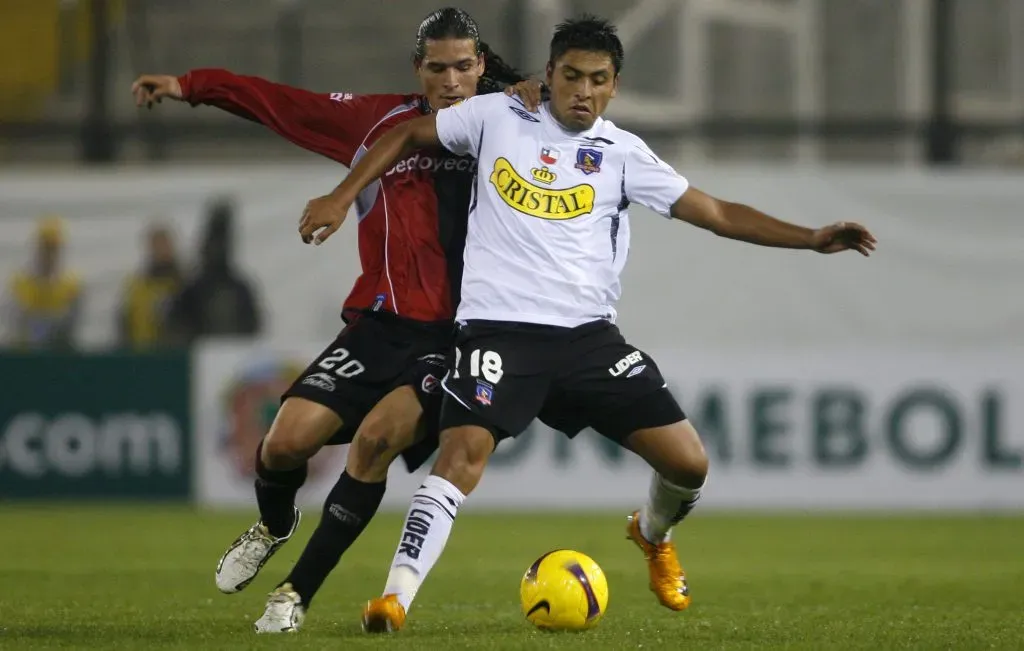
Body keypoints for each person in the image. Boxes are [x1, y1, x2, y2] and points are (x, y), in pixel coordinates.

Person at [299, 15, 878, 633]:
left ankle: (651, 534)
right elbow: (409, 135)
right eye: (571, 76)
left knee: (689, 465)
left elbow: (714, 210)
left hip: (587, 340)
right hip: (499, 334)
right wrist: (341, 195)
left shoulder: (623, 153)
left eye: (597, 80)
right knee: (460, 455)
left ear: (614, 87)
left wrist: (811, 238)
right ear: (547, 75)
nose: (583, 91)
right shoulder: (498, 116)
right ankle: (396, 598)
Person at [131, 7, 541, 633]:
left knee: (375, 440)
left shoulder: (509, 122)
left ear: (481, 65)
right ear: (418, 70)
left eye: (464, 66)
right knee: (285, 442)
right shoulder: (375, 121)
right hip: (378, 325)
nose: (452, 81)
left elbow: (578, 107)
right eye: (438, 68)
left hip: (457, 335)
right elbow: (281, 102)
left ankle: (295, 594)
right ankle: (274, 524)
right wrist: (193, 86)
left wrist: (540, 92)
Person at [165, 199, 263, 342]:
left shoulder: (238, 287)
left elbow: (252, 325)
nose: (216, 251)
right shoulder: (194, 289)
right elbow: (178, 322)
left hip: (232, 352)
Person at [3, 215, 82, 350]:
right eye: (46, 247)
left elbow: (72, 326)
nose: (50, 254)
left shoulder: (72, 286)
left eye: (54, 248)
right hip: (23, 355)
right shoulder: (19, 283)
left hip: (58, 355)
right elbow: (14, 322)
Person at [118, 222, 183, 349]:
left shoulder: (184, 285)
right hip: (141, 354)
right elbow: (124, 322)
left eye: (165, 245)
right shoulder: (135, 286)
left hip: (175, 355)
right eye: (157, 245)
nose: (161, 250)